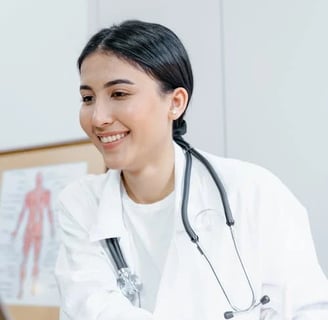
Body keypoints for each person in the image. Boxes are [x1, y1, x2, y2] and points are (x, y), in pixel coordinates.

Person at [55, 20, 328, 320]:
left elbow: (307, 310)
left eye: (119, 94)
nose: (98, 117)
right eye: (87, 98)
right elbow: (90, 308)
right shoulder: (80, 204)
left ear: (175, 103)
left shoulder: (252, 192)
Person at [12, 171, 54, 298]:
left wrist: (52, 228)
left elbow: (49, 211)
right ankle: (20, 289)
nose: (38, 180)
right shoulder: (29, 194)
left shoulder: (46, 194)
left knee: (36, 260)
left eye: (40, 178)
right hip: (28, 230)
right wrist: (16, 229)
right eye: (37, 178)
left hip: (38, 230)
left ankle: (33, 289)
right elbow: (23, 212)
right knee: (24, 259)